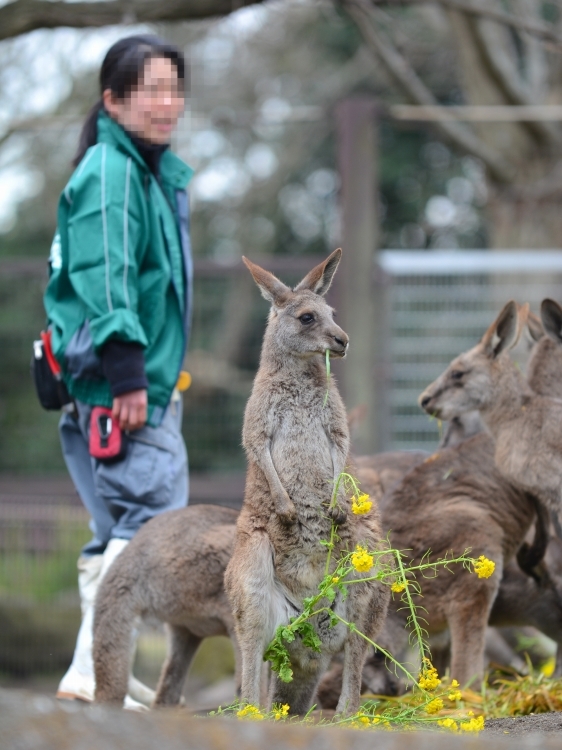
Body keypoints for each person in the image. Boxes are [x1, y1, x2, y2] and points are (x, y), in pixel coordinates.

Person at [43, 34, 194, 707]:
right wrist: (129, 373)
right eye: (151, 89)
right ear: (114, 99)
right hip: (120, 383)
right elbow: (106, 275)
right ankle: (91, 666)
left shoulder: (144, 171)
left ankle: (94, 665)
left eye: (174, 88)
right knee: (153, 517)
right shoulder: (112, 170)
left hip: (107, 379)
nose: (168, 103)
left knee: (119, 527)